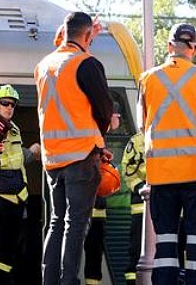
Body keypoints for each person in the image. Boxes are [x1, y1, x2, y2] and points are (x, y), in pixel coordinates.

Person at [139, 22, 196, 285]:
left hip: (162, 175)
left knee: (166, 241)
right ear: (195, 48)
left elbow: (143, 125)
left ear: (169, 47)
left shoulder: (148, 79)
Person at [36, 12, 114, 285]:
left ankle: (50, 280)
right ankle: (69, 281)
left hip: (53, 159)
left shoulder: (44, 65)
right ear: (87, 35)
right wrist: (101, 137)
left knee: (56, 222)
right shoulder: (86, 63)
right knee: (76, 224)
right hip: (81, 155)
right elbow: (104, 109)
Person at [0, 84, 41, 285]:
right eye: (5, 103)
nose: (9, 108)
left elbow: (15, 160)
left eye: (13, 105)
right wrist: (30, 152)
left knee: (9, 253)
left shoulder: (14, 129)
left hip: (17, 198)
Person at [83, 108, 120, 285]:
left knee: (94, 249)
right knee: (81, 247)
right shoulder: (89, 130)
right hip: (83, 202)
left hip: (97, 206)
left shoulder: (98, 135)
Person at [121, 132, 146, 285]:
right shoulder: (137, 140)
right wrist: (140, 186)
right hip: (141, 203)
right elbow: (127, 167)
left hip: (168, 200)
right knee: (136, 247)